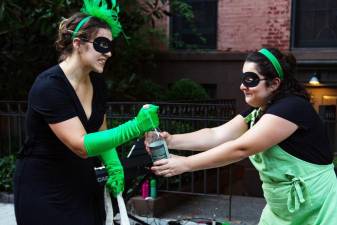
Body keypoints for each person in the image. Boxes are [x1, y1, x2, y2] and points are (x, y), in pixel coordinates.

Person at [150, 48, 337, 224]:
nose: (242, 86)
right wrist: (171, 140)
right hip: (283, 210)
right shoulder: (258, 112)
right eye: (242, 78)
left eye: (250, 79)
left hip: (319, 207)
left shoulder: (293, 108)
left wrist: (185, 164)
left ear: (274, 83)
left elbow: (241, 148)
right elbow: (216, 135)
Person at [13, 0, 159, 225]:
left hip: (82, 182)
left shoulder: (97, 83)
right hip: (45, 187)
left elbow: (101, 127)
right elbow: (81, 145)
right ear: (78, 43)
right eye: (102, 44)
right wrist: (136, 127)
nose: (109, 53)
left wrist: (113, 164)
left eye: (110, 46)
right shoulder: (49, 87)